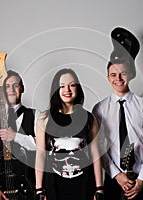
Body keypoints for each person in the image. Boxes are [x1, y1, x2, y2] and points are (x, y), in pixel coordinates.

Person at [92, 27, 143, 200]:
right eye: (113, 75)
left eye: (122, 74)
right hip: (114, 179)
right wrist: (116, 175)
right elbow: (99, 145)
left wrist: (142, 180)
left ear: (129, 75)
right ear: (108, 77)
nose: (118, 79)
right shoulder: (99, 109)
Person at [35, 68, 104, 200]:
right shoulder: (44, 118)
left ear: (77, 88)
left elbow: (95, 153)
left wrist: (99, 188)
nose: (67, 90)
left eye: (72, 85)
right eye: (62, 86)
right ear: (56, 89)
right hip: (54, 184)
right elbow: (41, 154)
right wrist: (39, 189)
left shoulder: (89, 118)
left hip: (84, 183)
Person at [0, 70, 38, 200]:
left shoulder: (36, 115)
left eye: (15, 85)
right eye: (7, 86)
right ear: (2, 91)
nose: (11, 89)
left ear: (22, 88)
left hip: (30, 187)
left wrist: (16, 136)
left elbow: (43, 148)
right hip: (0, 187)